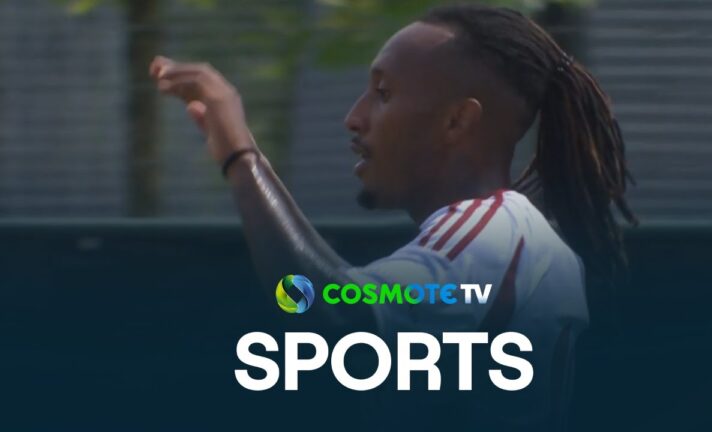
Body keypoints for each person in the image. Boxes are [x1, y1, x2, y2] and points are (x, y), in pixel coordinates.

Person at [150, 4, 635, 430]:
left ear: (456, 121)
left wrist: (241, 157)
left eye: (383, 93)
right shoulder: (511, 238)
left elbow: (330, 312)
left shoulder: (491, 237)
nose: (354, 116)